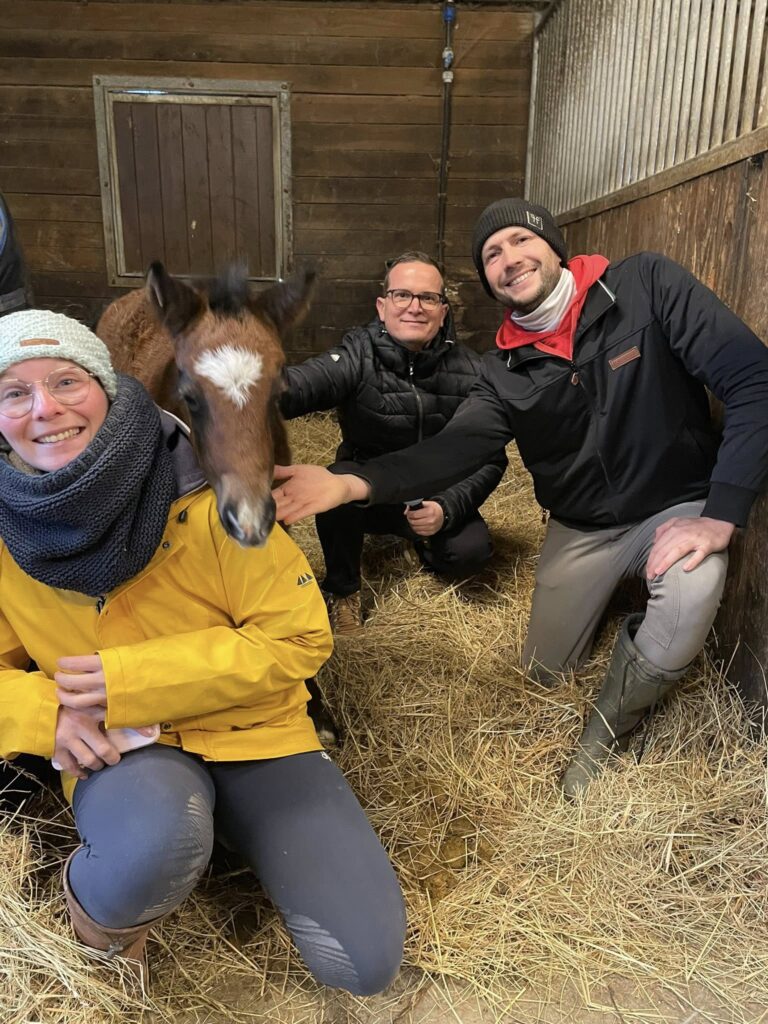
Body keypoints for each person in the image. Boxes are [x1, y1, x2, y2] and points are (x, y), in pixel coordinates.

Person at [272, 198, 768, 797]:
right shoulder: (501, 371)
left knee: (694, 585)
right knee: (543, 671)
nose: (509, 259)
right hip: (582, 525)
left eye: (519, 241)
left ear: (554, 247)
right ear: (487, 283)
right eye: (491, 255)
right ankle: (626, 621)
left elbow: (753, 380)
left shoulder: (645, 284)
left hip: (676, 505)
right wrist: (350, 483)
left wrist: (722, 514)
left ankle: (606, 733)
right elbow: (454, 451)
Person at [0, 309, 405, 991]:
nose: (45, 408)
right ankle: (101, 914)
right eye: (14, 392)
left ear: (106, 384)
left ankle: (235, 825)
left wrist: (130, 679)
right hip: (120, 743)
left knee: (362, 962)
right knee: (156, 843)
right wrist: (48, 717)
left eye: (66, 381)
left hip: (255, 730)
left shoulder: (209, 488)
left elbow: (301, 633)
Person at [281, 251, 507, 633]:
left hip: (431, 495)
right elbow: (300, 385)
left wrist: (446, 507)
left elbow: (490, 457)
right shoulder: (357, 355)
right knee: (332, 488)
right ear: (382, 306)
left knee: (470, 554)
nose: (414, 307)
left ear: (443, 310)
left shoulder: (472, 370)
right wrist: (247, 385)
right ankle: (343, 591)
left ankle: (419, 541)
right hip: (366, 489)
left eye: (428, 298)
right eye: (402, 295)